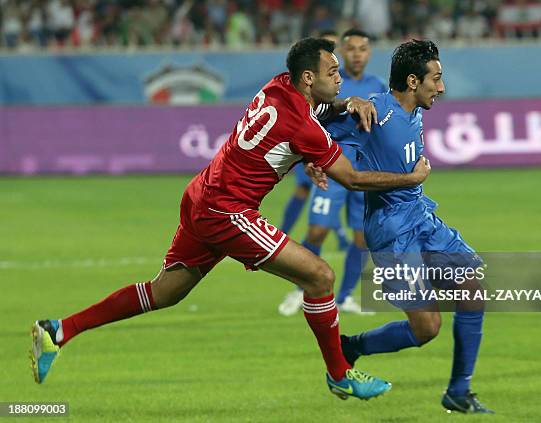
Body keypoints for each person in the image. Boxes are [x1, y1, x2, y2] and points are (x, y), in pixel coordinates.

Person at [31, 37, 432, 401]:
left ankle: (58, 331)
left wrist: (345, 105)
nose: (341, 78)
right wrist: (410, 178)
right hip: (227, 210)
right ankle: (340, 374)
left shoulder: (278, 85)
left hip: (201, 193)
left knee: (165, 292)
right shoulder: (303, 127)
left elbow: (315, 114)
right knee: (320, 276)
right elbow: (352, 178)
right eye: (333, 72)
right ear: (308, 77)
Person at [327, 40, 494, 413]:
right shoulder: (374, 112)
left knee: (472, 289)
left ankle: (459, 392)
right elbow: (313, 127)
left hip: (420, 216)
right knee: (426, 328)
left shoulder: (414, 109)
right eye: (437, 79)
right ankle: (351, 347)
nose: (442, 87)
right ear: (414, 81)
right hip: (390, 230)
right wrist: (314, 152)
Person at [278, 29, 386, 316]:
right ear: (342, 52)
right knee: (317, 230)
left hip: (364, 174)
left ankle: (346, 297)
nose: (357, 54)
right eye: (351, 49)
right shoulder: (328, 84)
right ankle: (301, 290)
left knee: (362, 237)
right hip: (332, 171)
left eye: (363, 49)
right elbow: (308, 122)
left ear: (369, 52)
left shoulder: (379, 87)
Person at [279, 29, 350, 251]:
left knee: (365, 235)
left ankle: (340, 241)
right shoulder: (305, 98)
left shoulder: (337, 81)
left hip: (337, 155)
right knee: (307, 194)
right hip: (314, 152)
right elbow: (315, 114)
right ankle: (283, 233)